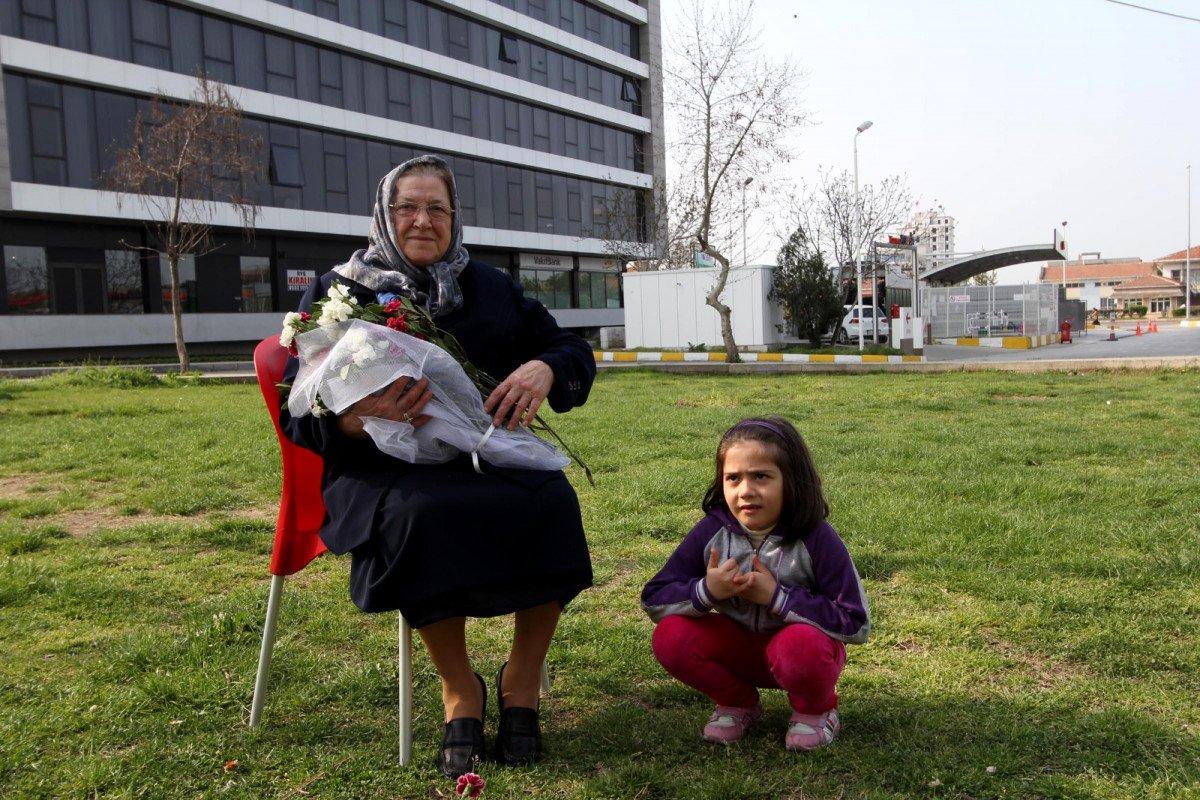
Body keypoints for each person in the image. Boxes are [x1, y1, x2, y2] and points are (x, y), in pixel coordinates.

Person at [279, 155, 595, 778]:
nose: (422, 220)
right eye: (407, 208)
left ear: (454, 218)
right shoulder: (342, 292)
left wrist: (546, 367)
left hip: (485, 452)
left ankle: (522, 681)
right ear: (384, 214)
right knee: (424, 515)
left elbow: (569, 346)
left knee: (553, 501)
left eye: (437, 209)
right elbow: (298, 410)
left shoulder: (492, 288)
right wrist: (352, 416)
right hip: (384, 468)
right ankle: (461, 690)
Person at [640, 417, 870, 750]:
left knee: (799, 646)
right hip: (739, 650)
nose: (745, 490)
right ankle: (737, 703)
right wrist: (707, 591)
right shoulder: (711, 531)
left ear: (791, 480)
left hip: (801, 655)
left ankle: (816, 711)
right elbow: (654, 597)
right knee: (670, 637)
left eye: (761, 476)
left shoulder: (817, 537)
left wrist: (778, 598)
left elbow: (856, 623)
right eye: (733, 478)